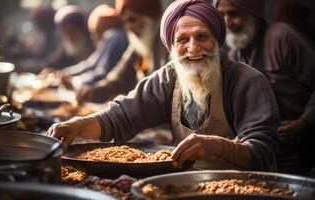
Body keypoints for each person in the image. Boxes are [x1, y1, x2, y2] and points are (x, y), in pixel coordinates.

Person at [47, 0, 280, 171]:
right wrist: (77, 125)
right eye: (182, 40)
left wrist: (217, 146)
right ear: (171, 46)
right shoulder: (168, 78)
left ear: (217, 41)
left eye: (202, 37)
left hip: (243, 190)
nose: (193, 48)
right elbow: (121, 117)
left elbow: (262, 151)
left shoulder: (248, 82)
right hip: (186, 185)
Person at [75, 0, 167, 104]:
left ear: (152, 17)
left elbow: (159, 94)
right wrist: (93, 90)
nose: (128, 27)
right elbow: (120, 78)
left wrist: (124, 107)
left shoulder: (166, 45)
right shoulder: (138, 46)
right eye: (125, 22)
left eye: (133, 20)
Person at [263, 0, 315, 174]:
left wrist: (303, 122)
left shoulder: (282, 37)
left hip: (304, 150)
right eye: (222, 15)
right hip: (270, 156)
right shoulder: (236, 52)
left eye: (234, 14)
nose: (228, 22)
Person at [51, 4, 129, 88]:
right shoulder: (111, 39)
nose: (93, 37)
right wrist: (63, 73)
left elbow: (102, 73)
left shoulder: (114, 37)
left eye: (96, 32)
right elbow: (90, 63)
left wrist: (75, 81)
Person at [214, 0, 267, 73]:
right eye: (221, 15)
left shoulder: (278, 39)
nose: (226, 23)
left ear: (252, 14)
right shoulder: (233, 55)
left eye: (234, 14)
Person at [44, 5, 95, 70]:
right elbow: (56, 60)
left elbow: (90, 65)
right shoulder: (65, 43)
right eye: (66, 32)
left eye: (72, 31)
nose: (70, 35)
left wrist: (66, 72)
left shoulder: (91, 43)